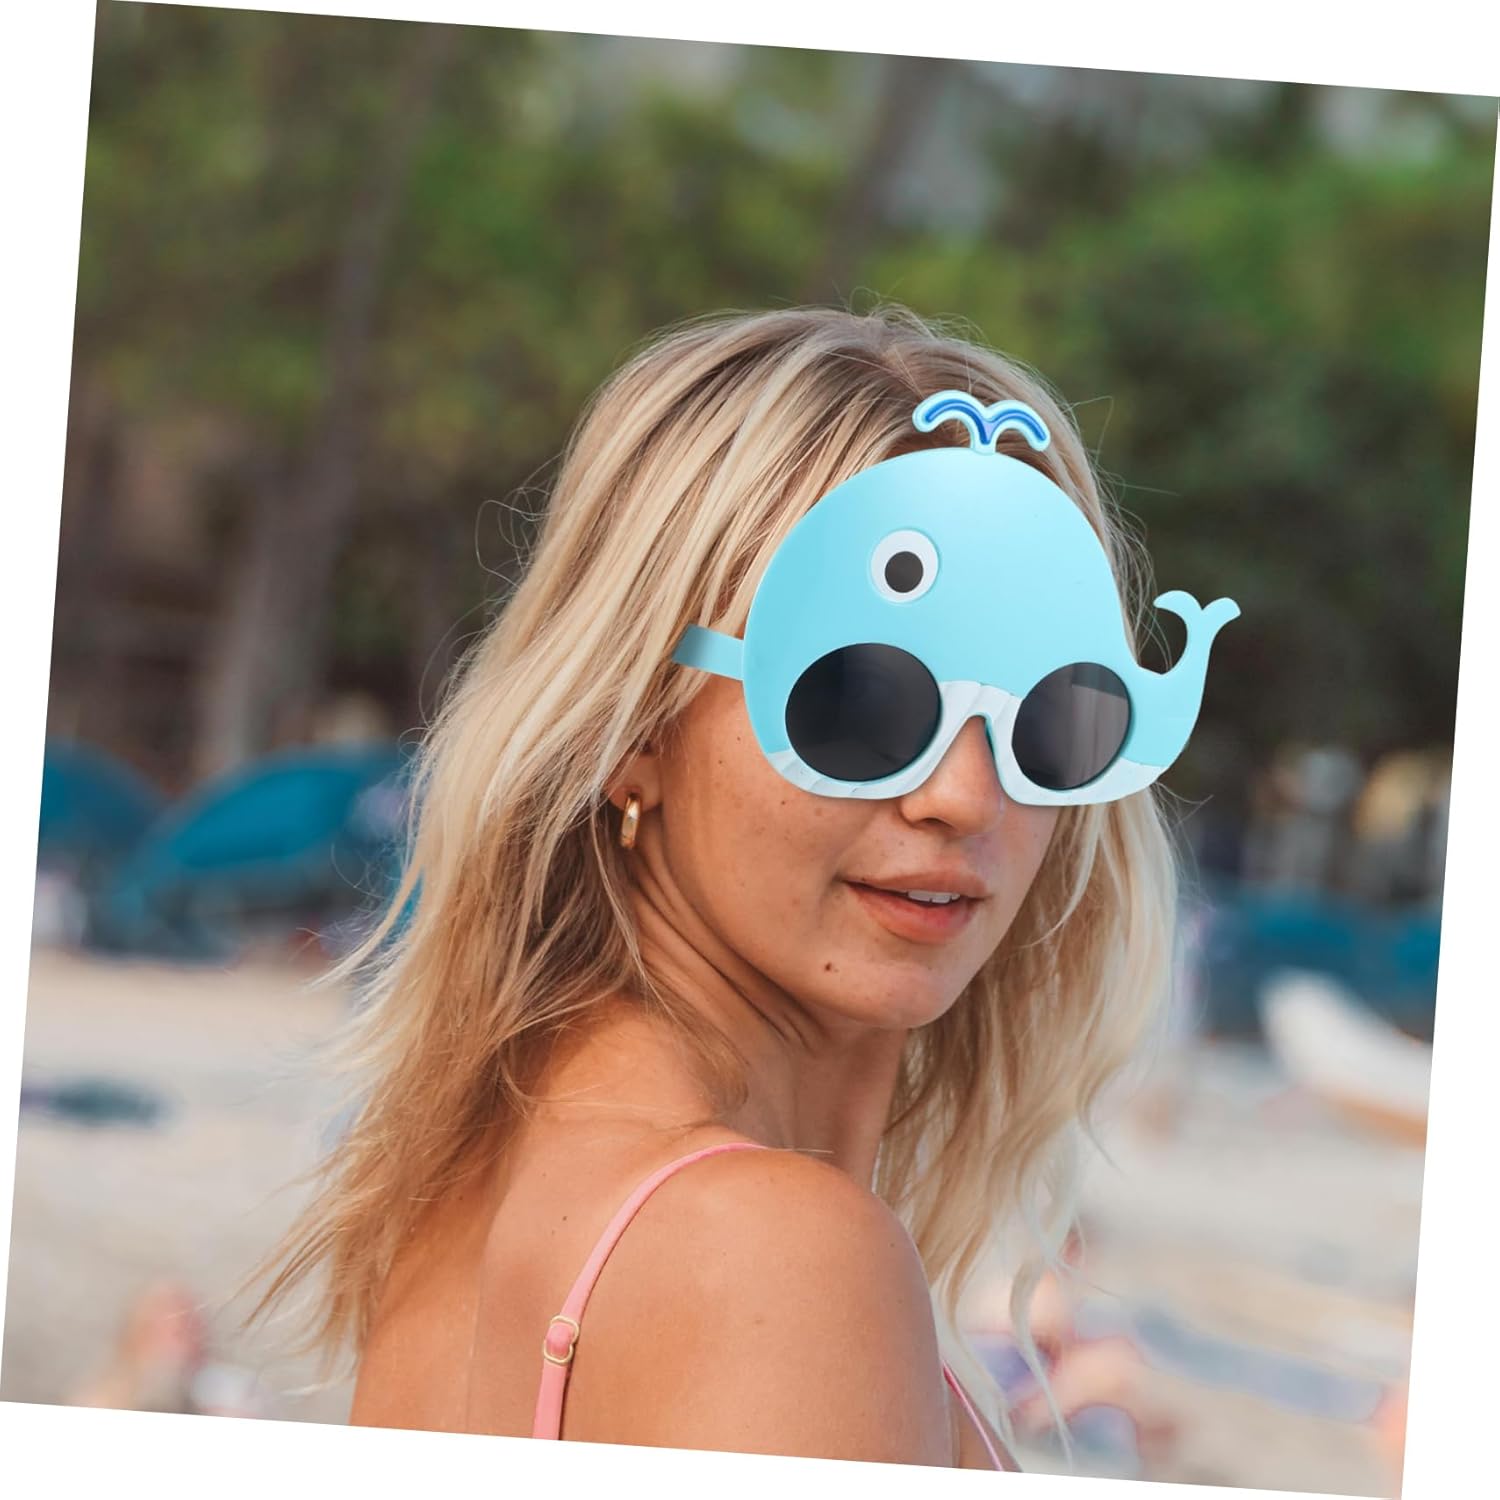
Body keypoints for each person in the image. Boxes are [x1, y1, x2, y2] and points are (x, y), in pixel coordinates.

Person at [250, 304, 1237, 1469]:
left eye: (1056, 712)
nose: (965, 798)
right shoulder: (778, 1256)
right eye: (859, 701)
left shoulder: (474, 1183)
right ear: (632, 728)